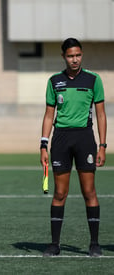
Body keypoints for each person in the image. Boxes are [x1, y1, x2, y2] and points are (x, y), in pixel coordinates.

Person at [40, 38, 107, 257]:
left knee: (89, 192)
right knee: (60, 192)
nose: (75, 59)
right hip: (60, 139)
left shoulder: (93, 80)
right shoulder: (54, 81)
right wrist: (43, 144)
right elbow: (50, 114)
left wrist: (103, 145)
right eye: (70, 56)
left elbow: (100, 114)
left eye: (78, 55)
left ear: (82, 55)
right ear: (63, 57)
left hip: (85, 138)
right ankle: (55, 244)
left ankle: (94, 244)